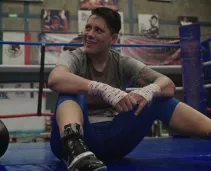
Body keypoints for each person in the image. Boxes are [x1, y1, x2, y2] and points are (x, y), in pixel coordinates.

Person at [48, 7, 211, 171]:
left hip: (115, 139)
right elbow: (55, 78)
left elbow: (167, 84)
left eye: (98, 30)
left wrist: (149, 90)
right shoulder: (74, 57)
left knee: (156, 97)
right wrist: (100, 88)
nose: (89, 34)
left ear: (113, 38)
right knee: (71, 91)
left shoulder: (122, 62)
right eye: (88, 28)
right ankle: (74, 150)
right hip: (73, 143)